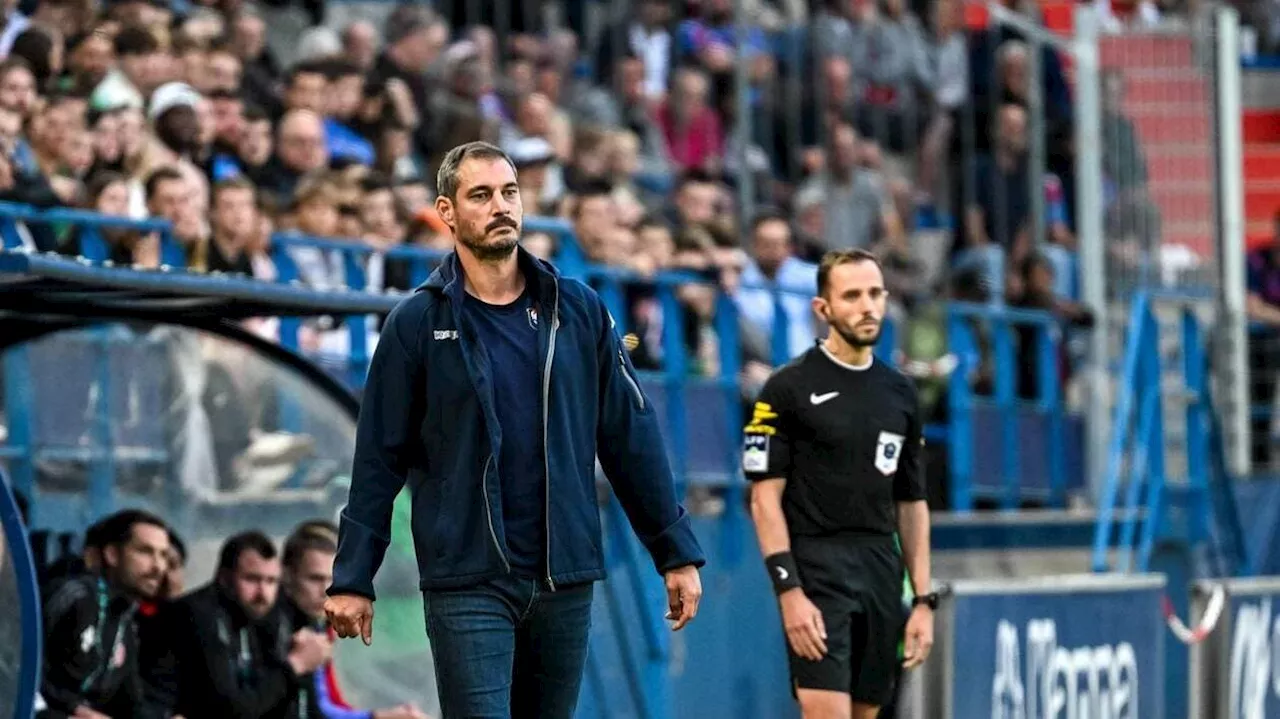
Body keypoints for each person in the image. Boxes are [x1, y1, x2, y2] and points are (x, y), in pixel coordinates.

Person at [325, 141, 706, 719]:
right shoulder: (416, 323)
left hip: (564, 576)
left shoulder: (577, 310)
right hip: (467, 579)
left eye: (509, 192)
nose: (501, 206)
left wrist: (673, 550)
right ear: (447, 211)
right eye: (481, 195)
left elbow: (630, 436)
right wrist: (353, 576)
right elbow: (378, 458)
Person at [743, 249, 936, 719]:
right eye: (851, 296)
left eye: (874, 294)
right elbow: (764, 499)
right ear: (823, 309)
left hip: (880, 569)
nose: (866, 306)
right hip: (817, 567)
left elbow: (911, 503)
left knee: (866, 712)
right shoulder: (786, 388)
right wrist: (789, 591)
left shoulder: (900, 392)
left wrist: (924, 600)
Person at [146, 530, 332, 719]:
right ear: (225, 578)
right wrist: (295, 665)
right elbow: (231, 709)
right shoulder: (197, 615)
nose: (263, 593)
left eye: (271, 581)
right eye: (252, 579)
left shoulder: (250, 616)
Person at [277, 526, 427, 719]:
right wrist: (378, 717)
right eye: (315, 579)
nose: (326, 590)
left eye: (333, 579)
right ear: (288, 577)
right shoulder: (281, 628)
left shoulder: (322, 624)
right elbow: (318, 709)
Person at [39, 509, 171, 719]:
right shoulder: (73, 595)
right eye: (145, 552)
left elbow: (131, 704)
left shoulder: (124, 618)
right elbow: (17, 671)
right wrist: (69, 712)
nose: (159, 567)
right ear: (112, 555)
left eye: (163, 555)